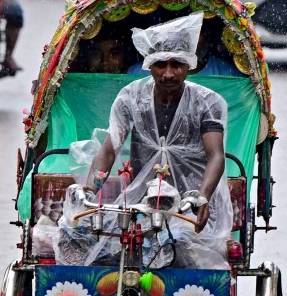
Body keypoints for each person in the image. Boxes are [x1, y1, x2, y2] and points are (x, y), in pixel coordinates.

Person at [83, 14, 231, 268]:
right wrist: (89, 189)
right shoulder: (132, 98)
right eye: (161, 64)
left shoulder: (207, 103)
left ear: (189, 65)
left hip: (189, 205)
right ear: (149, 64)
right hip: (142, 203)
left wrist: (202, 197)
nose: (169, 73)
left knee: (183, 248)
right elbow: (109, 150)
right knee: (98, 244)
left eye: (177, 64)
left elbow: (215, 154)